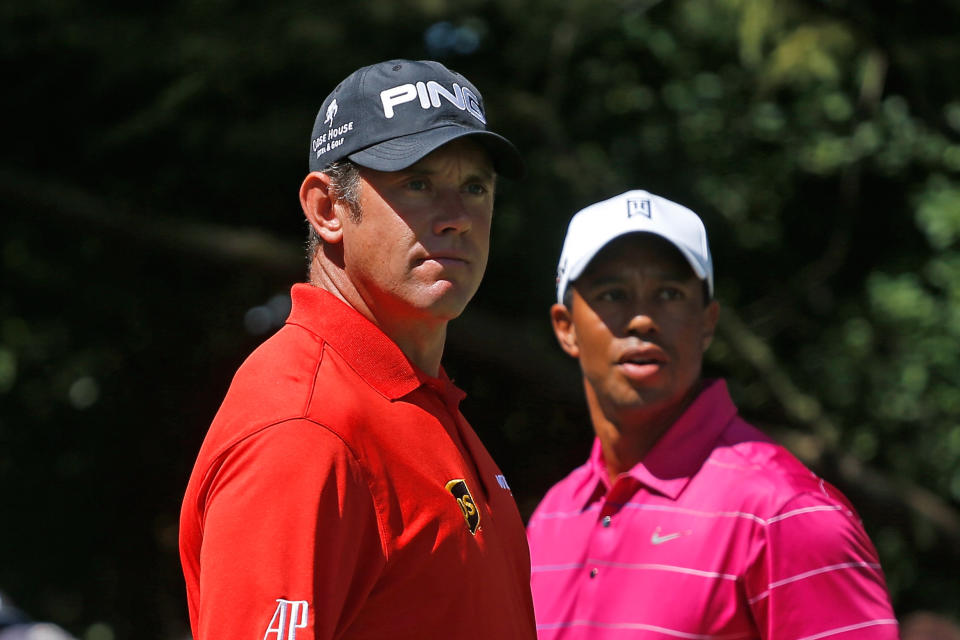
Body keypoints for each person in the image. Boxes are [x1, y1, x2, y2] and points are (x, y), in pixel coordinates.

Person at [179, 59, 536, 640]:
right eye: (417, 183)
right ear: (327, 209)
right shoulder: (305, 428)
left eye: (475, 186)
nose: (456, 220)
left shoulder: (414, 398)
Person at [526, 190, 899, 639]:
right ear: (566, 328)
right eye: (613, 293)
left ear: (707, 323)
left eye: (669, 293)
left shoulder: (787, 514)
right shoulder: (550, 518)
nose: (643, 319)